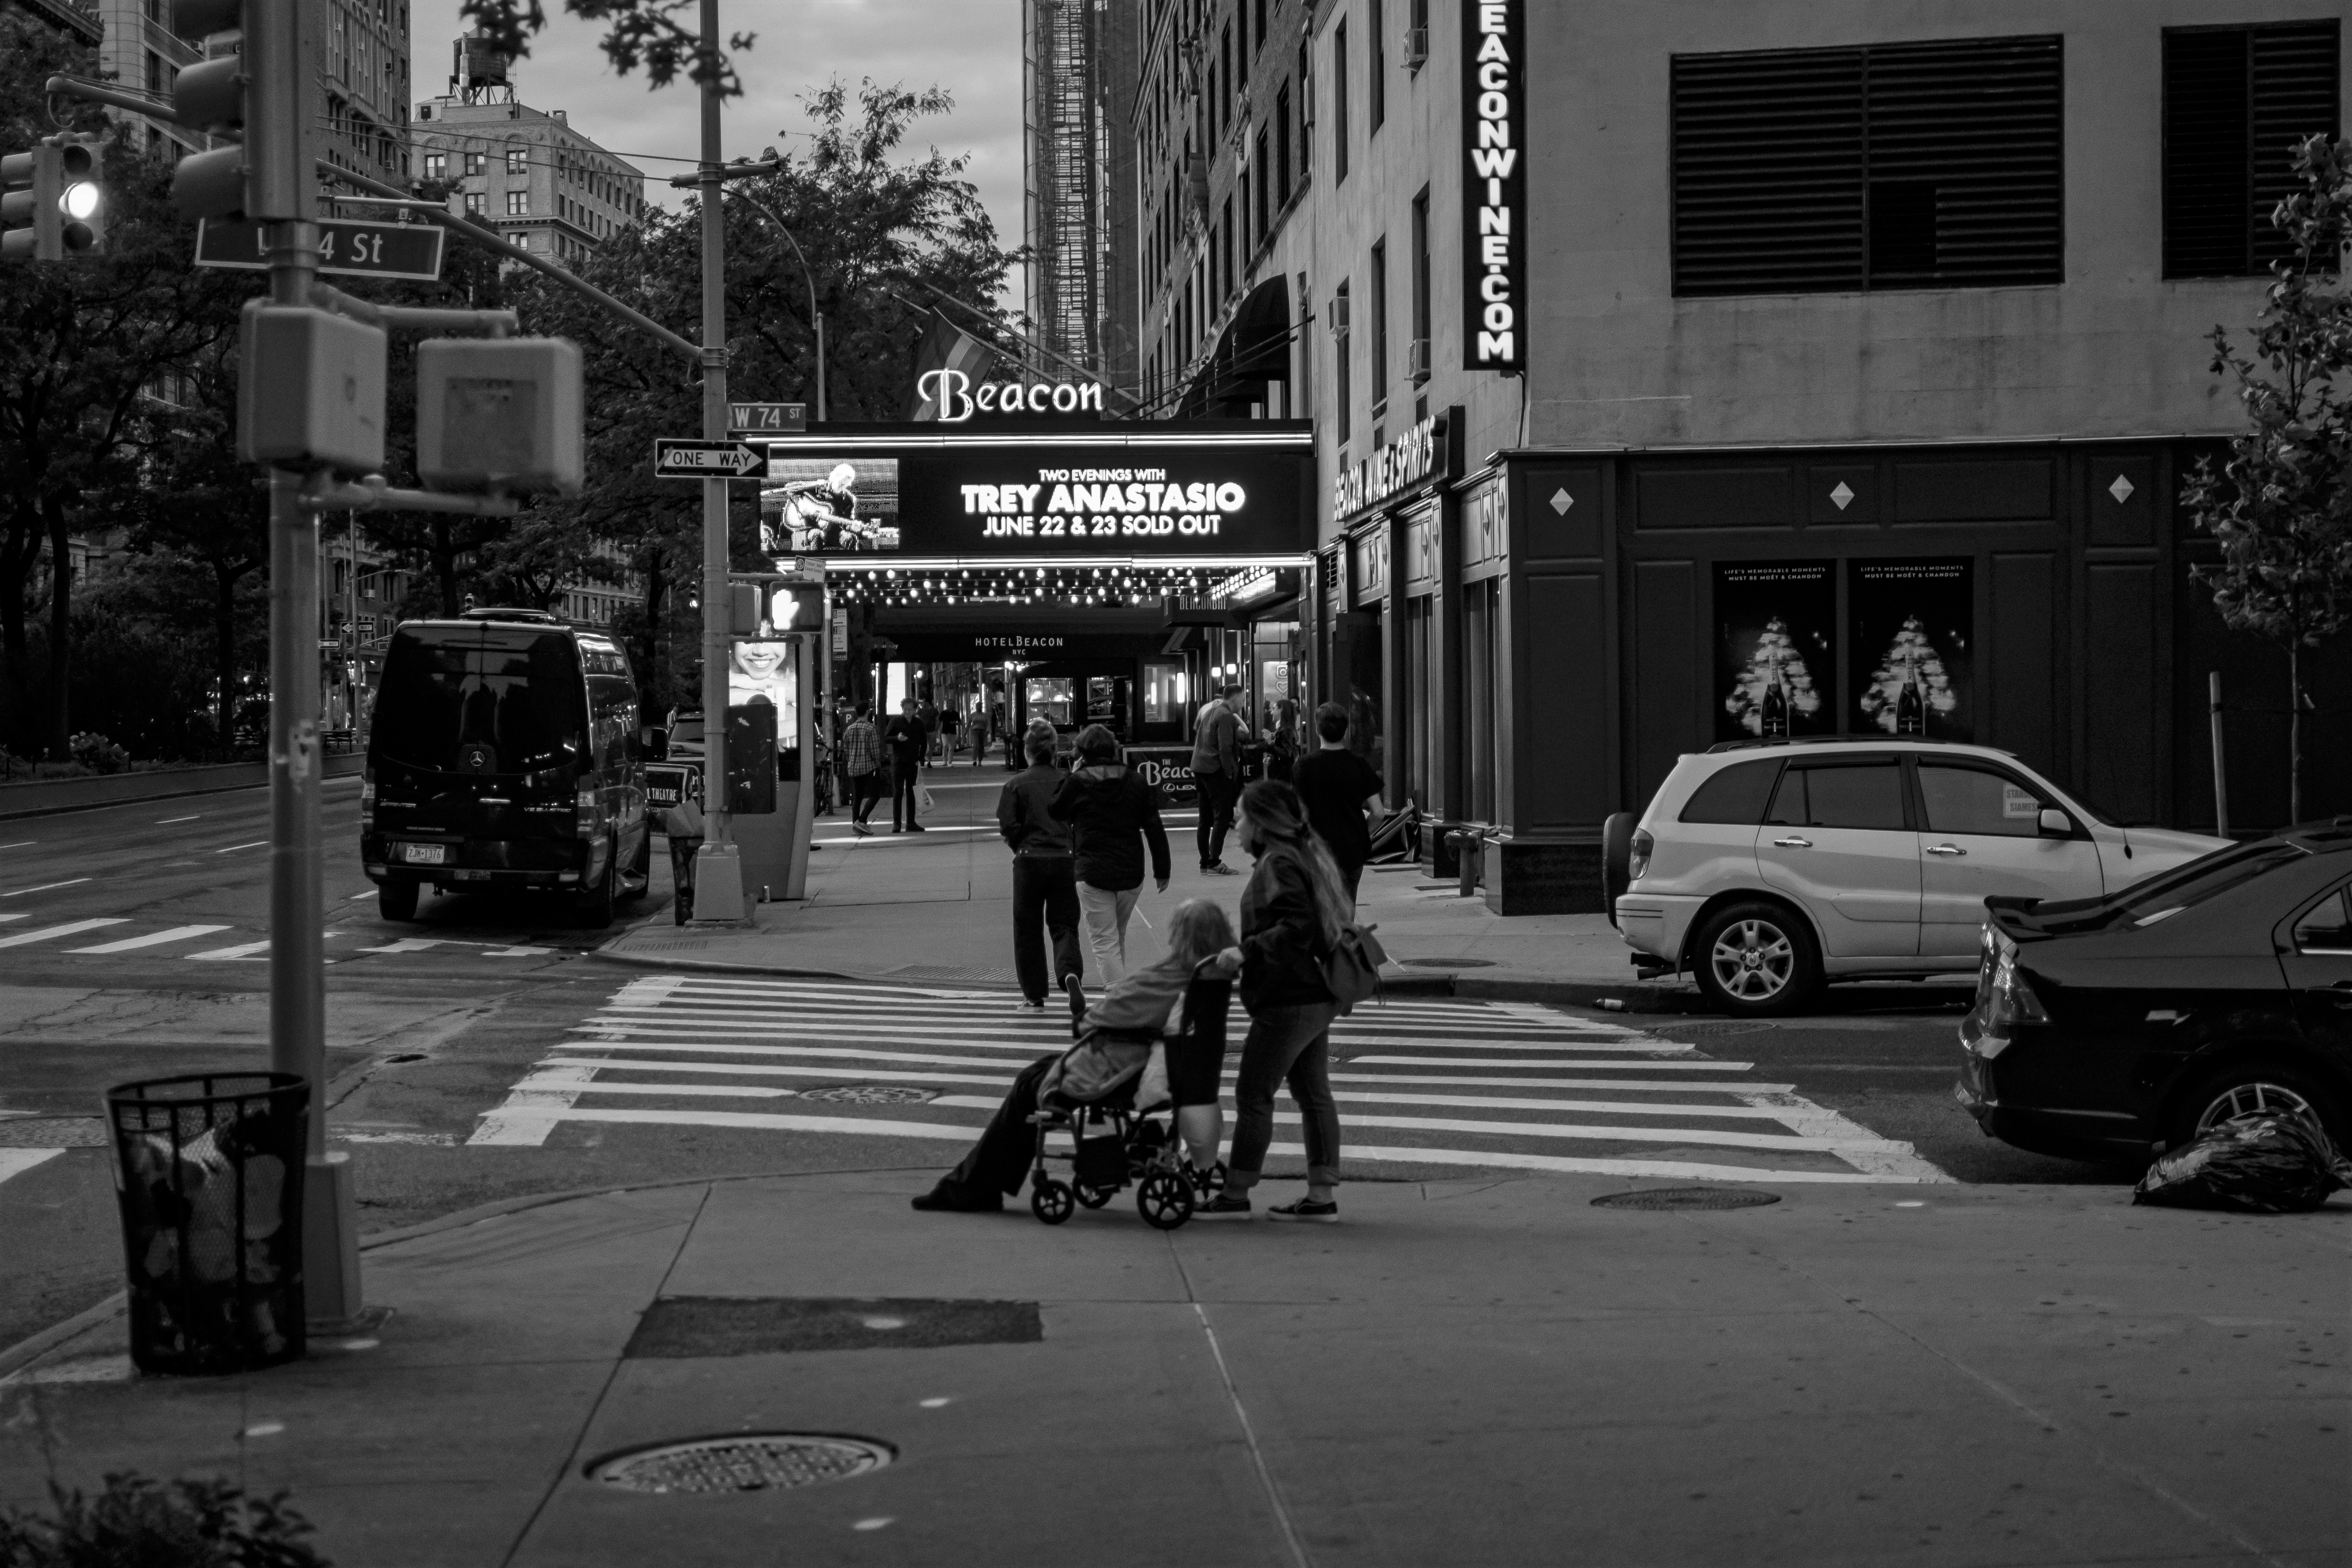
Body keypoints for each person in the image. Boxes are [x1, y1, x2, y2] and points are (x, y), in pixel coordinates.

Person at [910, 900, 1238, 1213]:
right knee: (1036, 1072)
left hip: (1118, 1065)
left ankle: (974, 1187)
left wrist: (1085, 1021)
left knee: (1029, 1084)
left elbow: (1107, 1015)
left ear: (1180, 936)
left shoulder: (1170, 978)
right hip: (1147, 1060)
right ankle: (982, 1184)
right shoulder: (1208, 978)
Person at [1196, 779, 1354, 1224]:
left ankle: (1235, 1192)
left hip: (1289, 996)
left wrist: (1245, 951)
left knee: (1253, 1093)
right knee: (1312, 1093)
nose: (1235, 825)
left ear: (1262, 823)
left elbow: (1296, 926)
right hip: (1312, 993)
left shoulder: (1278, 862)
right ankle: (1321, 1195)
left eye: (1242, 817)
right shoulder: (1294, 856)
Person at [1050, 723, 1171, 991]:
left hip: (1091, 870)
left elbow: (1056, 810)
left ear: (1082, 752)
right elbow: (1154, 826)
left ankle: (1117, 999)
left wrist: (1072, 774)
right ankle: (1120, 994)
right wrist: (1163, 870)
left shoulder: (1077, 781)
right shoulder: (1136, 780)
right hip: (1131, 872)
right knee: (1117, 935)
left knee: (1104, 940)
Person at [998, 724, 1083, 1012]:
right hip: (1063, 860)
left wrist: (1020, 846)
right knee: (1064, 924)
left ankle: (1034, 994)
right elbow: (1080, 819)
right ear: (1053, 751)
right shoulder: (1068, 781)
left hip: (1029, 861)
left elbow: (1008, 824)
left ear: (1027, 752)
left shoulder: (1016, 784)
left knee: (1027, 928)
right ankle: (1070, 972)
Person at [1289, 700, 1387, 907]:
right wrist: (1363, 833)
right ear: (1346, 732)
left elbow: (1297, 812)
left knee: (1321, 909)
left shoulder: (1304, 767)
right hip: (1352, 849)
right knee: (1346, 908)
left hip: (1317, 849)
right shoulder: (1359, 765)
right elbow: (1378, 812)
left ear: (1317, 730)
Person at [1191, 683, 1245, 874]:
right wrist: (1230, 772)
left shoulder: (1210, 713)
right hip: (1216, 771)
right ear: (1236, 698)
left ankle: (1205, 861)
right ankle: (1215, 861)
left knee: (1204, 819)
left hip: (1200, 769)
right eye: (1244, 699)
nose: (1244, 703)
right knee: (1223, 816)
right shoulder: (1226, 716)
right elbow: (1225, 748)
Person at [882, 697, 928, 832]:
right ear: (902, 709)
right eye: (905, 709)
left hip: (912, 762)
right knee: (898, 792)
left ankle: (911, 822)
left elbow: (924, 743)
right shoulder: (896, 721)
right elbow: (886, 738)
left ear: (915, 710)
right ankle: (897, 823)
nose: (908, 712)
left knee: (911, 792)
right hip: (898, 761)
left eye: (910, 709)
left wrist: (920, 759)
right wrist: (897, 739)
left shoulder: (918, 723)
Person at [839, 703, 883, 834]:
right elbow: (874, 750)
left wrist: (852, 760)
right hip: (869, 767)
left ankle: (855, 826)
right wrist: (877, 762)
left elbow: (846, 750)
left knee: (858, 797)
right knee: (875, 795)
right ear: (868, 712)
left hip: (853, 767)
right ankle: (862, 821)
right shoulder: (871, 729)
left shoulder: (849, 729)